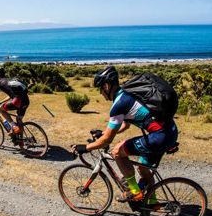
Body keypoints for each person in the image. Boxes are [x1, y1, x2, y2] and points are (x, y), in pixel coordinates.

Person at [72, 66, 178, 202]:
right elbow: (125, 125)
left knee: (117, 152)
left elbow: (107, 140)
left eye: (100, 89)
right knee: (143, 169)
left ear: (106, 86)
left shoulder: (119, 104)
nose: (100, 93)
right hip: (169, 132)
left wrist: (85, 147)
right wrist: (103, 132)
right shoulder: (128, 94)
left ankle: (134, 192)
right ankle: (152, 202)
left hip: (159, 137)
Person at [0, 67, 30, 142]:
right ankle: (20, 140)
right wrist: (1, 101)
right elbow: (11, 95)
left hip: (17, 101)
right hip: (26, 101)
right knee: (19, 120)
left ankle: (13, 126)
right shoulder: (9, 80)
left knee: (1, 109)